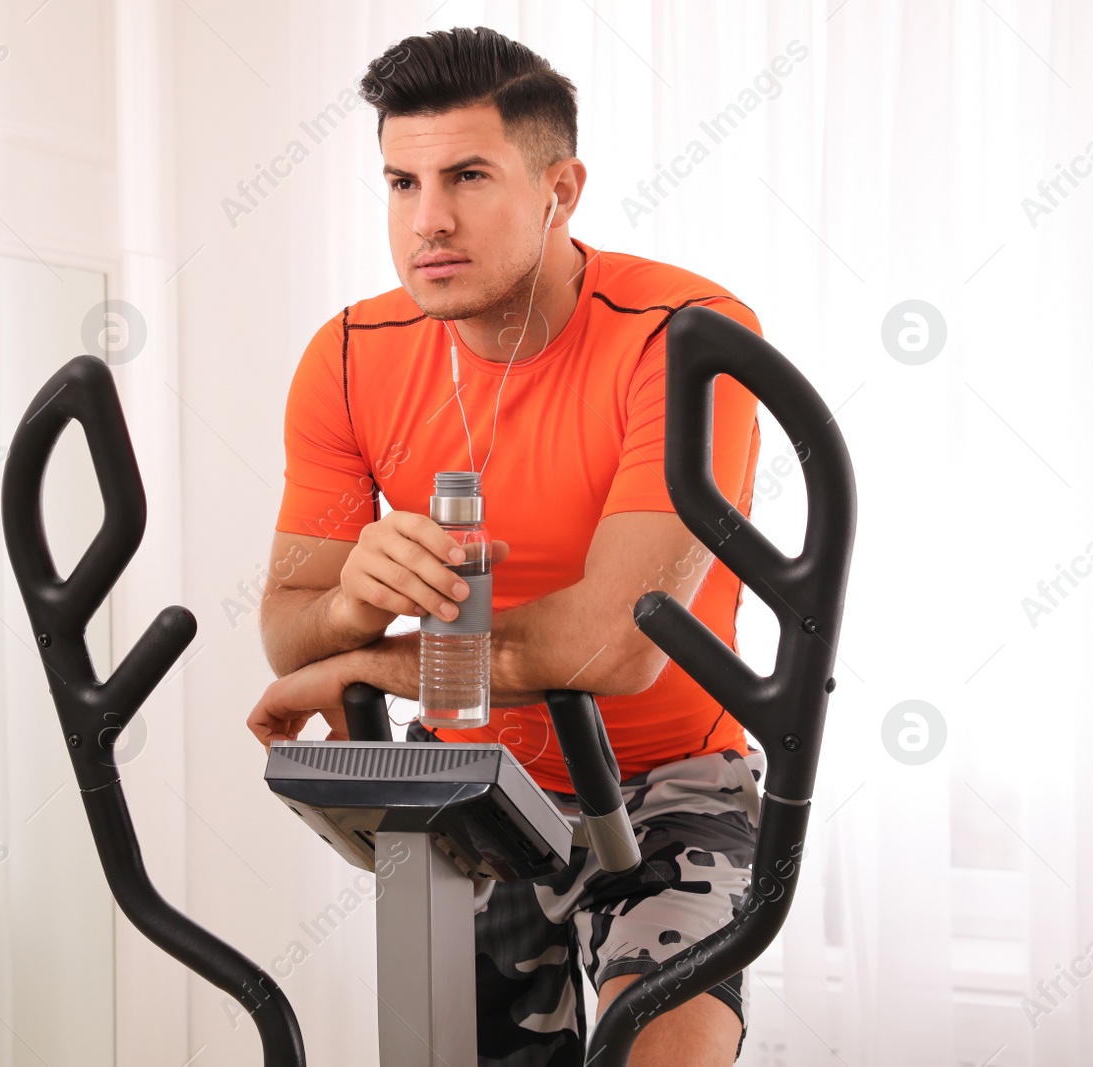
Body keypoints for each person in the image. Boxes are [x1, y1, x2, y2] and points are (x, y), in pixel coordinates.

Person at [247, 25, 767, 1067]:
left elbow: (612, 648)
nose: (426, 219)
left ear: (558, 186)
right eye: (400, 181)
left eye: (468, 175)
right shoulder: (349, 357)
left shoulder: (685, 336)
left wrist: (356, 659)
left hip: (669, 778)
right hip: (469, 780)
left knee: (661, 1052)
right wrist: (350, 601)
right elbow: (289, 629)